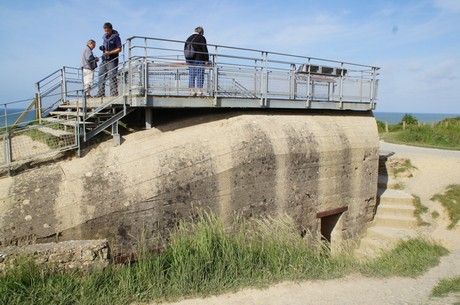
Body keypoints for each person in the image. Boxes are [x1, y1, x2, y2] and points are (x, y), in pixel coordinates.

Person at [96, 22, 122, 97]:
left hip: (112, 60)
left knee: (112, 76)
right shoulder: (104, 37)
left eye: (107, 31)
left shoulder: (116, 37)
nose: (106, 32)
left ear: (111, 29)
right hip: (104, 59)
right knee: (101, 75)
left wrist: (109, 52)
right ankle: (101, 93)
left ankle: (114, 94)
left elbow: (119, 49)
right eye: (105, 31)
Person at [184, 26, 209, 96]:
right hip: (199, 59)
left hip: (190, 59)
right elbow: (204, 49)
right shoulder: (201, 38)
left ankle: (192, 91)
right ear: (201, 32)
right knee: (200, 74)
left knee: (191, 74)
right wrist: (206, 59)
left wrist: (187, 59)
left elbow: (185, 49)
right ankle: (199, 91)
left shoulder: (189, 38)